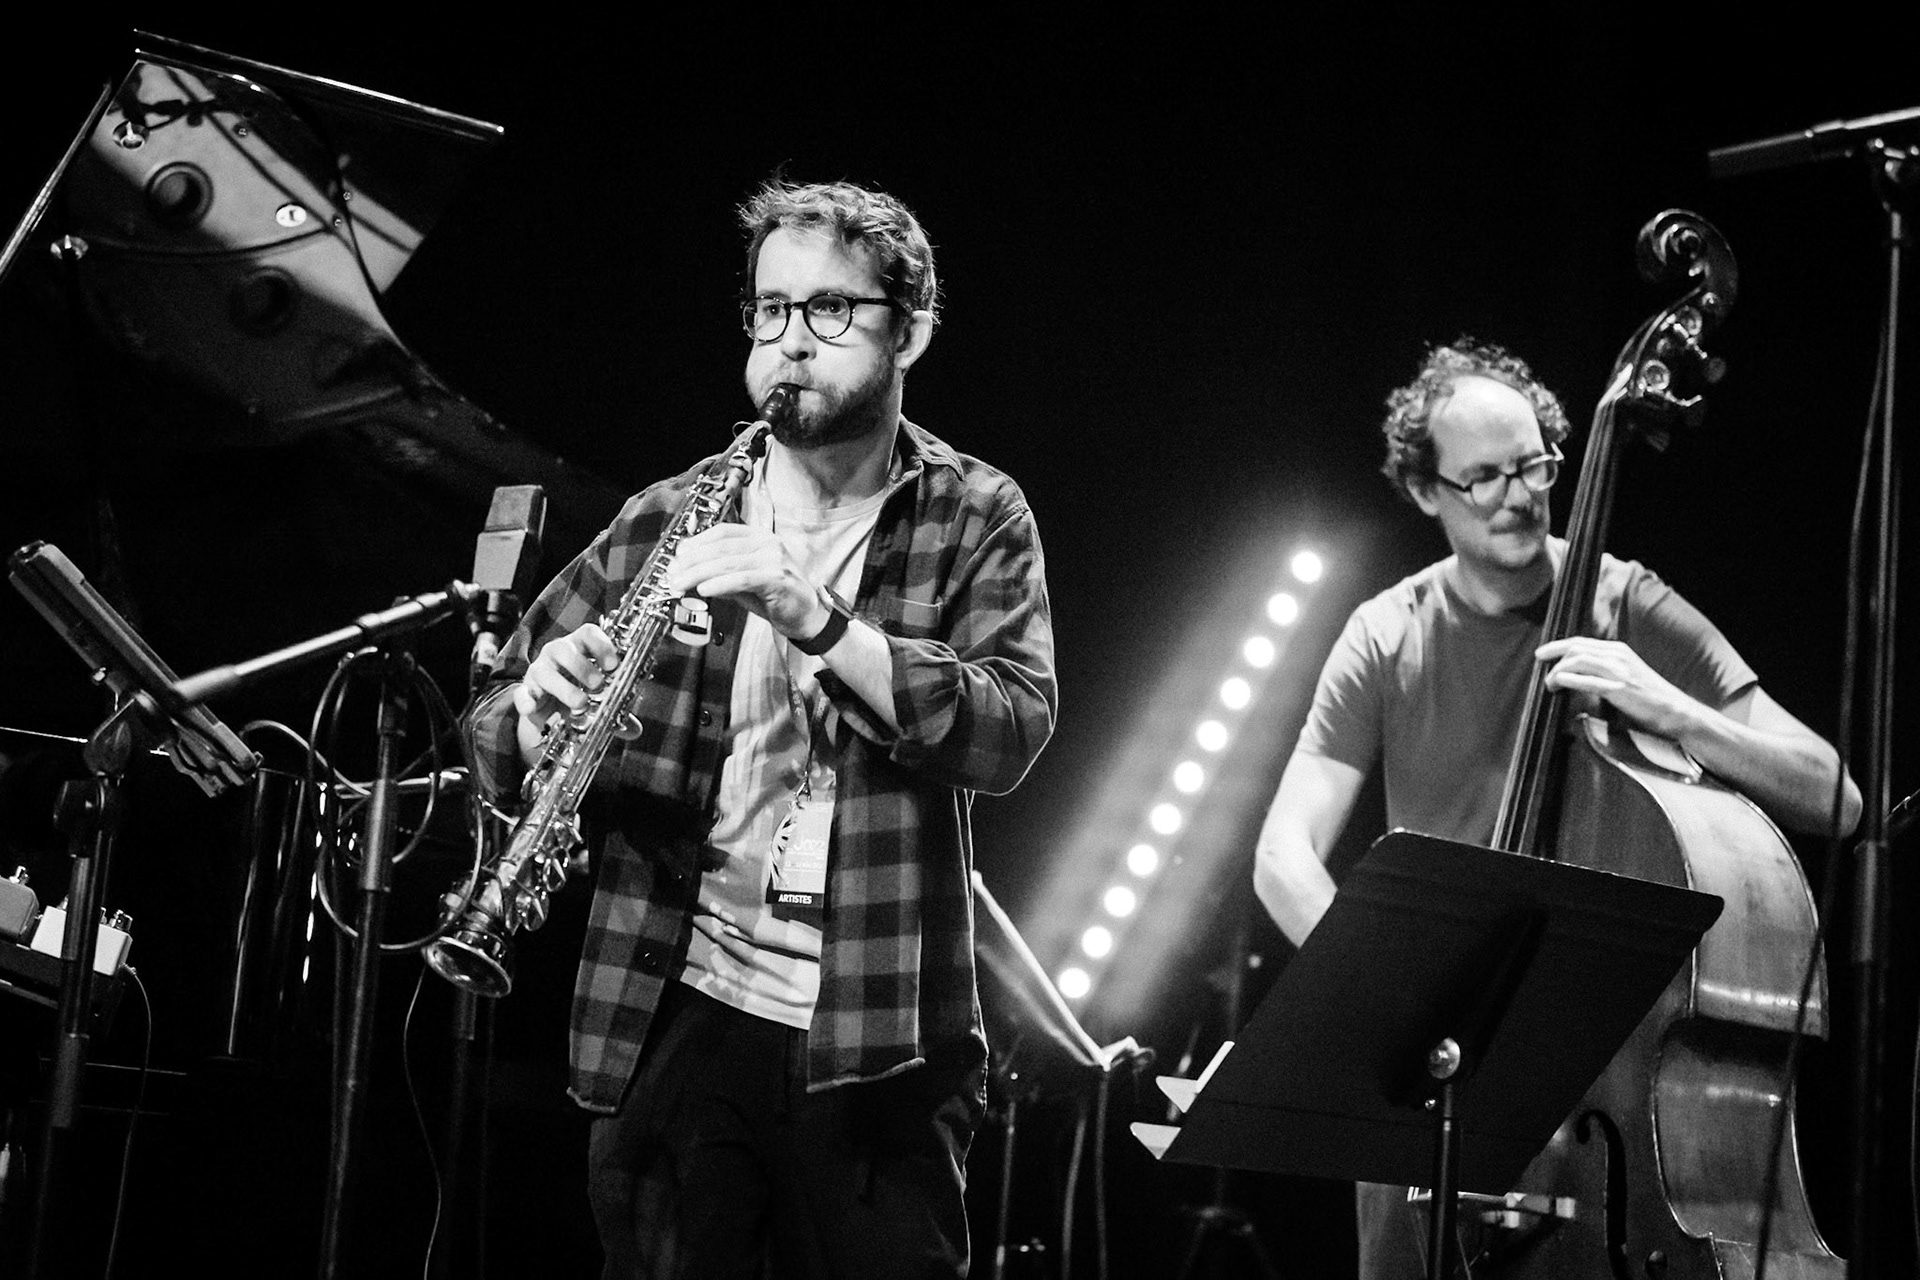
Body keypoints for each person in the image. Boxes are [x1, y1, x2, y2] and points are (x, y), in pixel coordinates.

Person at [466, 177, 1057, 1278]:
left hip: (879, 1034)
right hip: (678, 1005)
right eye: (770, 311)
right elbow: (491, 718)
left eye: (831, 311)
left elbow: (1009, 727)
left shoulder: (976, 510)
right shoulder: (672, 510)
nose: (792, 343)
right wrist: (536, 699)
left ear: (912, 327)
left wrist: (815, 613)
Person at [1250, 337, 1860, 1279]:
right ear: (1426, 493)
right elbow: (1283, 855)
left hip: (1600, 1085)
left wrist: (1676, 709)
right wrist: (1400, 992)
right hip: (1435, 1078)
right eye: (1484, 477)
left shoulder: (1626, 601)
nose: (1520, 494)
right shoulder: (1386, 632)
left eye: (1535, 465)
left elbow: (1839, 794)